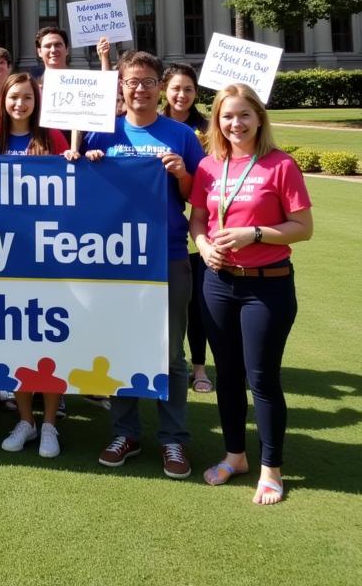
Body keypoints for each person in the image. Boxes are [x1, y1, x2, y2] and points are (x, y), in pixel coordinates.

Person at [81, 50, 205, 480]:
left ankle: (173, 439)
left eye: (147, 82)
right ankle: (125, 433)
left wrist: (180, 175)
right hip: (114, 256)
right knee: (121, 346)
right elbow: (80, 192)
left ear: (159, 87)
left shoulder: (181, 136)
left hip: (167, 252)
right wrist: (85, 164)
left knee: (170, 352)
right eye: (131, 82)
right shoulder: (101, 134)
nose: (139, 89)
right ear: (121, 87)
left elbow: (197, 198)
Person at [189, 84, 312, 506]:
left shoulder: (280, 166)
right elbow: (198, 220)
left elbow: (303, 227)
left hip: (268, 284)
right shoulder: (209, 165)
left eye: (243, 115)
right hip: (218, 283)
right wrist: (205, 248)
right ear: (217, 122)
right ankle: (235, 456)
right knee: (227, 376)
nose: (235, 124)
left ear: (259, 117)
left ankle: (271, 469)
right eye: (227, 116)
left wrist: (252, 233)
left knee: (261, 378)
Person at [0, 72, 68, 457]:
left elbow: (76, 181)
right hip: (2, 254)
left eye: (27, 98)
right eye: (13, 97)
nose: (20, 104)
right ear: (3, 100)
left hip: (47, 255)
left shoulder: (51, 138)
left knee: (49, 339)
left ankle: (49, 424)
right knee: (16, 341)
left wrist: (80, 158)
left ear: (37, 102)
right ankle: (26, 421)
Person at [162, 63, 212, 394]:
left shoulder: (204, 130)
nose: (182, 95)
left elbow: (204, 182)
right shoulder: (155, 125)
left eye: (189, 89)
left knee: (195, 305)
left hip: (196, 229)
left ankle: (198, 367)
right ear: (165, 90)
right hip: (168, 233)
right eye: (176, 88)